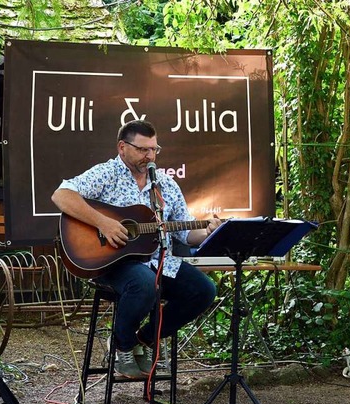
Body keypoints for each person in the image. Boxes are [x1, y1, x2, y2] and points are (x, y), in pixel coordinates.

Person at [52, 119, 222, 379]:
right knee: (144, 283)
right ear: (122, 147)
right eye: (143, 150)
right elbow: (61, 195)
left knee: (204, 291)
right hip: (111, 262)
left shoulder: (164, 184)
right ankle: (122, 348)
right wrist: (104, 223)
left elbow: (186, 233)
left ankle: (142, 340)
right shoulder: (106, 173)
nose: (150, 156)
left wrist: (209, 231)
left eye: (154, 149)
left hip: (156, 260)